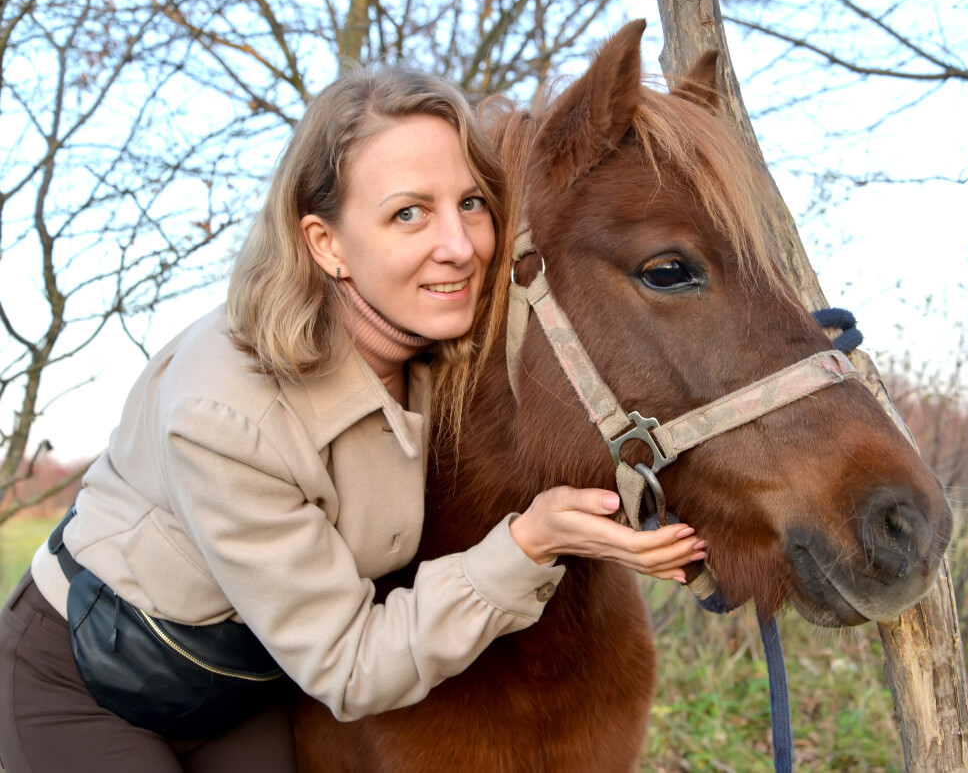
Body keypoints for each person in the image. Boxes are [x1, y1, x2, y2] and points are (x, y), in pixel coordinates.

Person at [0, 65, 706, 773]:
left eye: (470, 202)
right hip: (95, 672)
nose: (460, 246)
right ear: (325, 243)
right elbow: (349, 665)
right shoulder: (221, 410)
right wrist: (528, 545)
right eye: (408, 213)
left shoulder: (444, 339)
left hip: (252, 676)